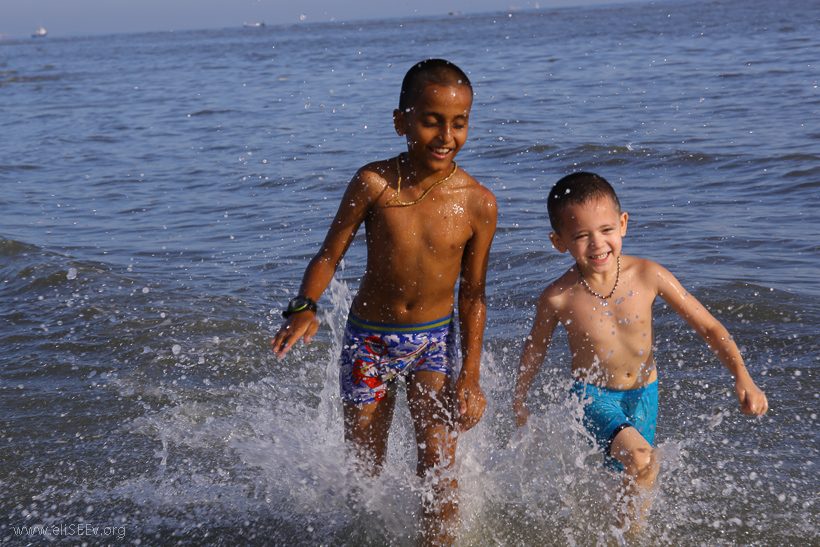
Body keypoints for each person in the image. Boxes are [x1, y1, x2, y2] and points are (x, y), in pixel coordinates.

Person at [270, 59, 497, 546]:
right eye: (431, 119)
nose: (446, 135)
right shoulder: (374, 183)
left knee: (438, 468)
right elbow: (330, 253)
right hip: (368, 343)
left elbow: (473, 294)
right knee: (364, 473)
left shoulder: (479, 202)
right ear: (401, 121)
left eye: (459, 123)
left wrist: (471, 374)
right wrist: (303, 306)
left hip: (434, 343)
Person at [513, 172, 767, 531]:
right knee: (642, 458)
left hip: (646, 394)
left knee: (629, 480)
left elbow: (708, 327)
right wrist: (519, 399)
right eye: (581, 236)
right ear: (559, 241)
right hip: (592, 397)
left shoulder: (649, 275)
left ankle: (613, 532)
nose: (597, 243)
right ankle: (634, 539)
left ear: (623, 223)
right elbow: (535, 349)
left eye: (605, 230)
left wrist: (743, 375)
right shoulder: (557, 297)